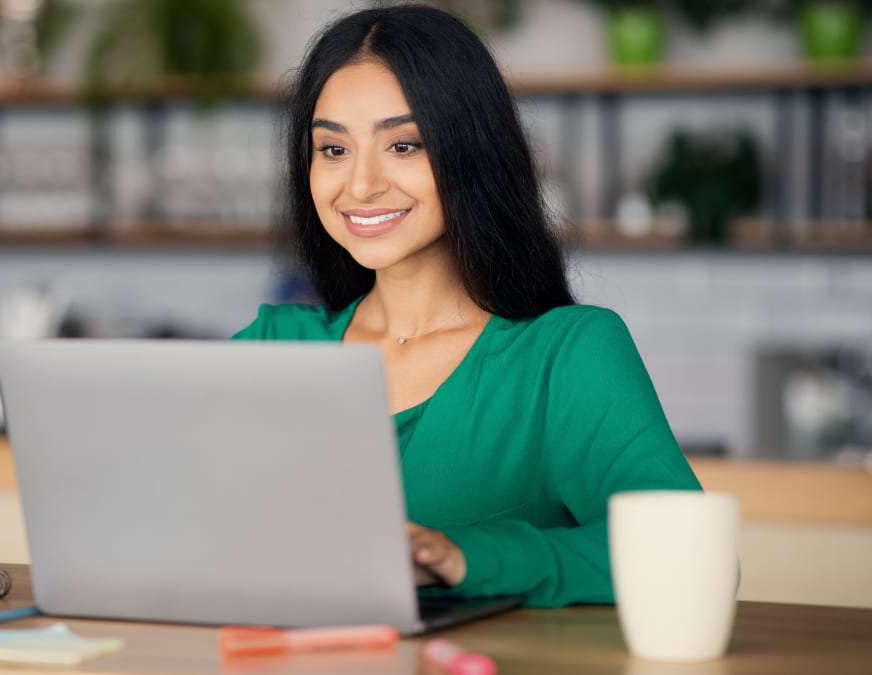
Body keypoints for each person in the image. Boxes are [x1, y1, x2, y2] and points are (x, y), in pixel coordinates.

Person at [233, 4, 701, 607]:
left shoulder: (566, 355)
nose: (361, 185)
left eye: (403, 145)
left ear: (470, 150)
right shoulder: (273, 347)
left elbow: (679, 553)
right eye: (332, 150)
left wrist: (465, 556)